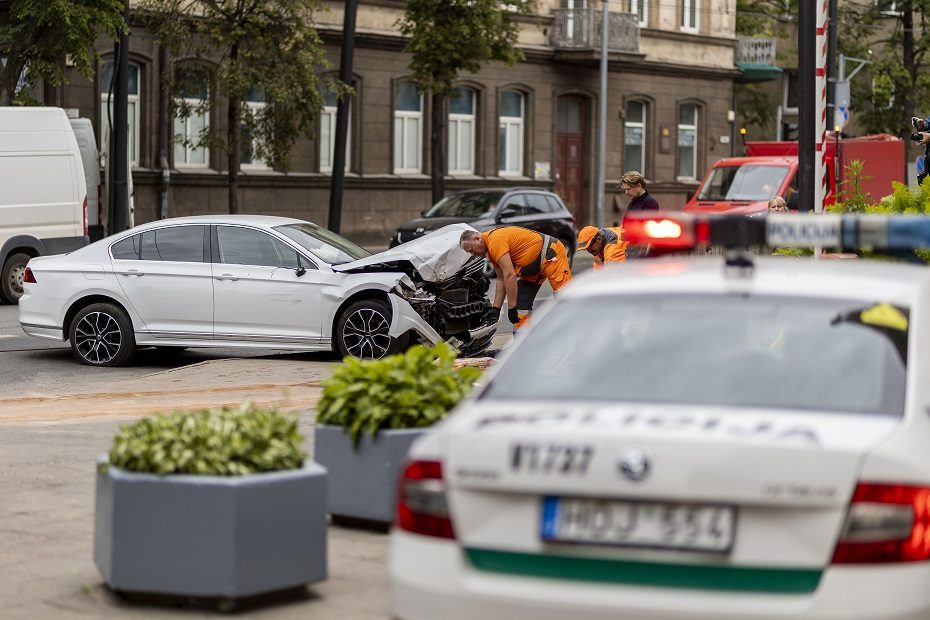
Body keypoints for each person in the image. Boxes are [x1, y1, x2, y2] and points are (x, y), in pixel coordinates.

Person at [460, 227, 572, 329]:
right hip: (533, 266)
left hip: (551, 254)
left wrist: (511, 307)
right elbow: (501, 278)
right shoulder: (489, 249)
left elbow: (510, 275)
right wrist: (496, 309)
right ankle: (523, 342)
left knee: (566, 298)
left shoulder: (495, 241)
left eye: (471, 249)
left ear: (477, 239)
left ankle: (578, 334)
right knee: (521, 303)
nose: (472, 254)